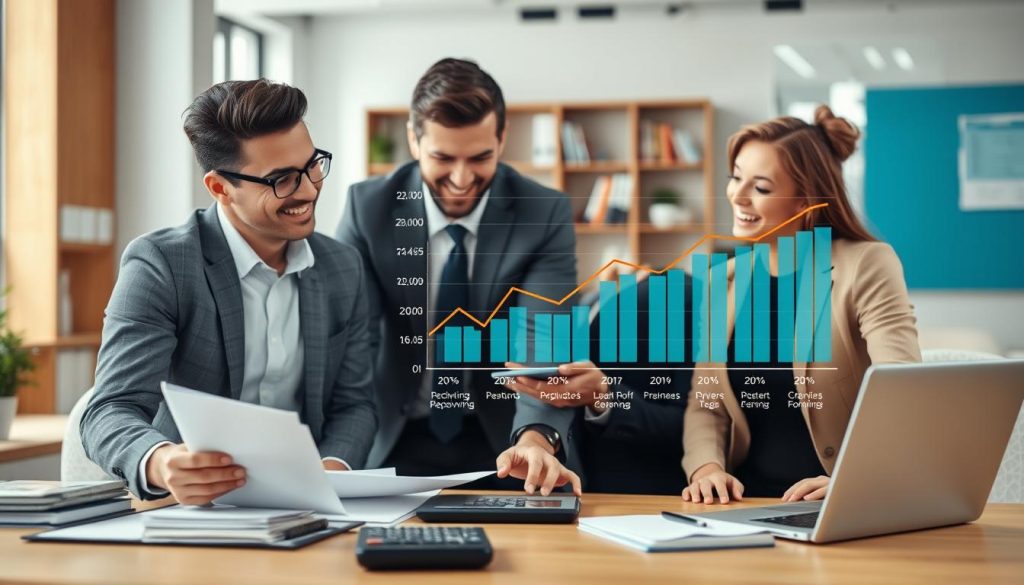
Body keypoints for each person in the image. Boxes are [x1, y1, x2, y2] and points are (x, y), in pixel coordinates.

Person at [82, 79, 378, 504]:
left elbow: (355, 405)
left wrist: (330, 474)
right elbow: (110, 409)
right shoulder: (161, 264)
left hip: (311, 507)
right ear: (220, 188)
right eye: (281, 179)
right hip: (189, 506)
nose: (309, 189)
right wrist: (161, 462)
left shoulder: (342, 267)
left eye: (312, 165)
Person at [336, 58, 580, 495]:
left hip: (505, 438)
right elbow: (353, 342)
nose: (462, 179)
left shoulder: (543, 212)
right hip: (391, 435)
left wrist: (535, 438)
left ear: (502, 139)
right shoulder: (367, 210)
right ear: (414, 140)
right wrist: (338, 453)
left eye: (480, 157)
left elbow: (543, 339)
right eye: (443, 158)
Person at [681, 105, 921, 505]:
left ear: (806, 199)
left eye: (760, 187)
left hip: (839, 503)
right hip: (744, 505)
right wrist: (706, 469)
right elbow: (706, 405)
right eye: (736, 178)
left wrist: (854, 479)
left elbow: (901, 388)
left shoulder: (867, 264)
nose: (737, 195)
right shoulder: (723, 281)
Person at [504, 273, 693, 494]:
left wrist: (605, 396)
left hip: (633, 490)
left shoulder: (678, 294)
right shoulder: (589, 297)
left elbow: (692, 421)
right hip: (558, 474)